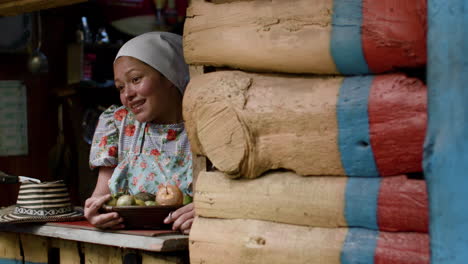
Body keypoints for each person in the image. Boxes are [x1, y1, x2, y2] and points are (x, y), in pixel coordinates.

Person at [83, 32, 194, 234]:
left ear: (170, 75)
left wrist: (208, 210)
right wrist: (95, 213)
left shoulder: (207, 124)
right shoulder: (118, 124)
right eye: (120, 87)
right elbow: (100, 198)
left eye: (135, 79)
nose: (127, 95)